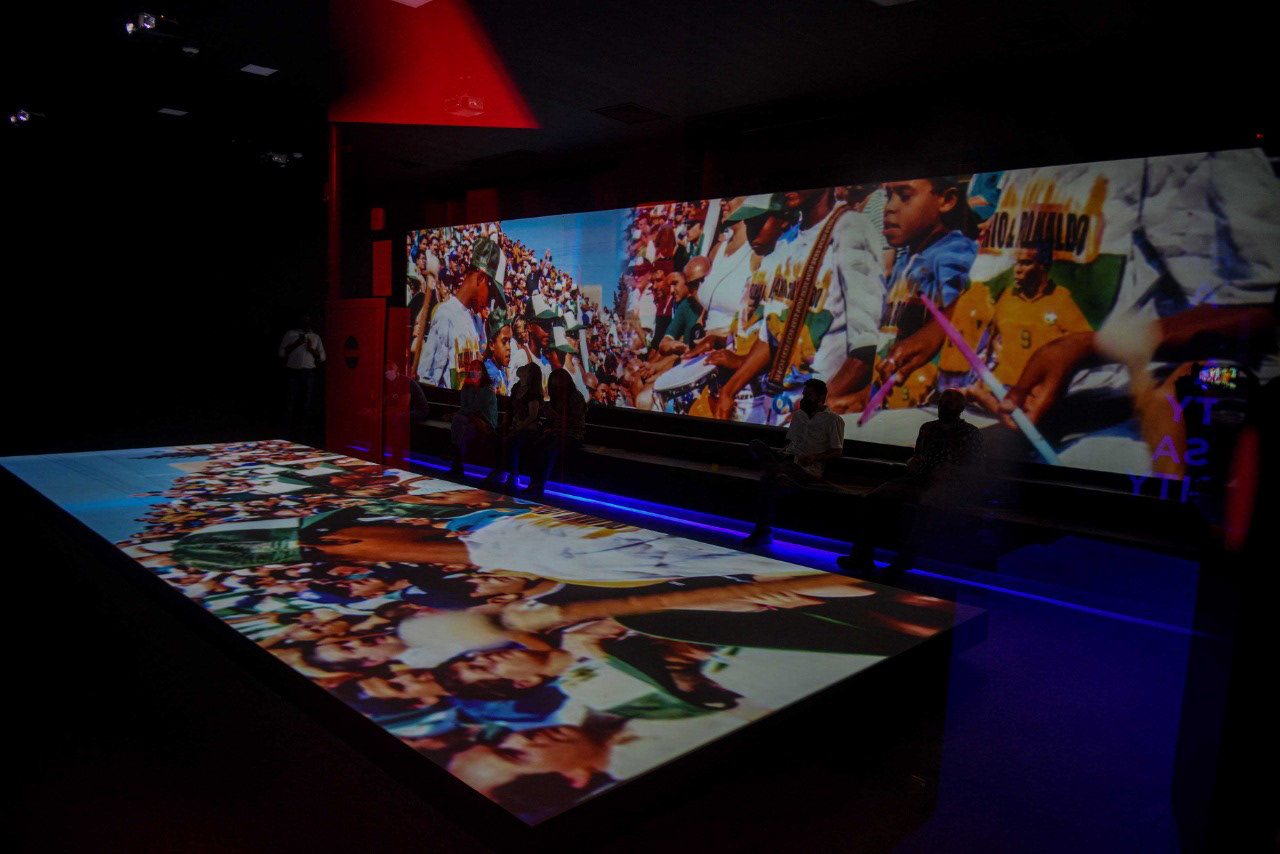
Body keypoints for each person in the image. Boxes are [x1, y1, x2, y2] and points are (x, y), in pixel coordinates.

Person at [712, 187, 884, 422]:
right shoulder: (787, 243)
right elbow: (771, 335)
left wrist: (816, 407)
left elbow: (865, 351)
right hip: (776, 404)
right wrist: (729, 390)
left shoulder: (852, 231)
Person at [838, 387, 984, 577]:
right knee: (874, 498)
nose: (942, 407)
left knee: (926, 505)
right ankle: (862, 556)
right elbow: (917, 456)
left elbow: (977, 470)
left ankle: (903, 562)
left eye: (948, 404)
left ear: (960, 408)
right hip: (918, 479)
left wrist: (952, 470)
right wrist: (912, 462)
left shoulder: (971, 433)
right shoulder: (928, 428)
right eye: (940, 403)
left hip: (950, 485)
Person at [873, 176, 979, 407]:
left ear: (947, 200)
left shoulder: (953, 255)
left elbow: (958, 335)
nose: (889, 207)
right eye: (888, 196)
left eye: (905, 196)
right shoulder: (906, 260)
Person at [744, 378, 845, 545]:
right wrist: (782, 452)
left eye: (809, 395)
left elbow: (837, 451)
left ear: (821, 398)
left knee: (766, 481)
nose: (804, 398)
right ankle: (780, 476)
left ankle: (763, 530)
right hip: (788, 461)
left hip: (806, 468)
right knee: (756, 444)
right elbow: (792, 442)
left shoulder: (833, 420)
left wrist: (814, 457)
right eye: (804, 395)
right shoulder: (799, 416)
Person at [418, 235, 506, 389]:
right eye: (491, 293)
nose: (489, 302)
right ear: (481, 278)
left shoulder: (472, 320)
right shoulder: (446, 315)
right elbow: (427, 379)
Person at [527, 368, 587, 497]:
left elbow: (574, 420)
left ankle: (540, 486)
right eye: (554, 386)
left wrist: (555, 416)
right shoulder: (556, 397)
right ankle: (533, 484)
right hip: (557, 432)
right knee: (535, 446)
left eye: (559, 385)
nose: (556, 388)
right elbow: (553, 421)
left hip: (573, 434)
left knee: (551, 450)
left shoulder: (576, 396)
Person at [492, 363, 544, 488]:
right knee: (497, 437)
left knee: (512, 441)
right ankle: (500, 471)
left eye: (526, 368)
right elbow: (509, 408)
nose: (522, 368)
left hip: (529, 428)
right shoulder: (517, 387)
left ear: (530, 374)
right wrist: (505, 424)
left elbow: (533, 415)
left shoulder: (532, 393)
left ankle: (514, 475)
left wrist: (520, 427)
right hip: (516, 425)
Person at [279, 313, 325, 433]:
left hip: (308, 373)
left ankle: (304, 430)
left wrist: (311, 349)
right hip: (293, 372)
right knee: (290, 402)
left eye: (307, 321)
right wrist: (297, 343)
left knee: (307, 403)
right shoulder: (290, 334)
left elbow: (323, 357)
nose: (306, 324)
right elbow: (281, 353)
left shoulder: (315, 337)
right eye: (303, 321)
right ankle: (287, 430)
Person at [449, 364, 497, 476]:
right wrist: (457, 414)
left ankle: (455, 461)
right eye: (472, 370)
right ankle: (456, 459)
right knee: (458, 422)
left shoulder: (488, 389)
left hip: (484, 422)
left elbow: (476, 408)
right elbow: (464, 407)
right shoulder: (466, 388)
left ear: (483, 372)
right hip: (470, 418)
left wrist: (455, 414)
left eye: (477, 369)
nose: (474, 372)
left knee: (461, 429)